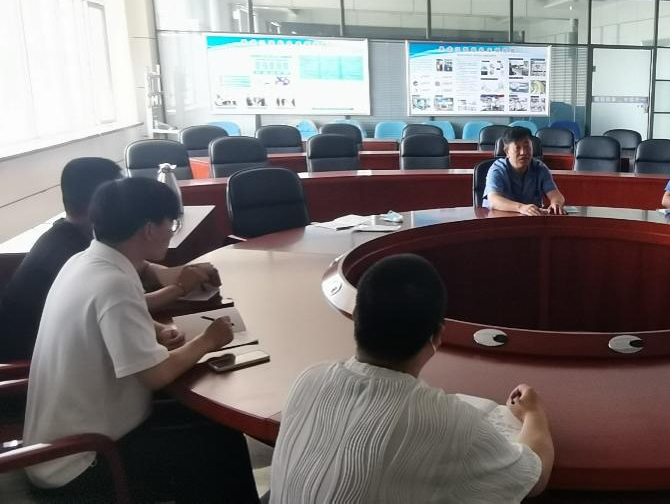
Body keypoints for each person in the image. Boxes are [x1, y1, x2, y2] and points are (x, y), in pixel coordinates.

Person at [23, 177, 258, 502]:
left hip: (55, 448)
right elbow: (155, 375)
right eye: (171, 223)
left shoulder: (84, 262)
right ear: (149, 228)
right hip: (82, 465)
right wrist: (209, 339)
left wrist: (156, 329)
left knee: (212, 426)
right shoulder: (113, 283)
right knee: (219, 446)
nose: (172, 230)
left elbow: (111, 316)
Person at [271, 254, 553, 503]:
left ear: (356, 315)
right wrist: (534, 414)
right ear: (437, 336)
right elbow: (533, 477)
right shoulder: (450, 424)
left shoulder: (309, 379)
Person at [0, 157, 219, 362]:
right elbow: (122, 303)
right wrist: (179, 288)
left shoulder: (84, 235)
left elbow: (139, 268)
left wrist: (176, 274)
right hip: (31, 356)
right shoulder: (66, 252)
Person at [484, 126, 567, 215]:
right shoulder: (498, 169)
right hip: (498, 218)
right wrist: (521, 207)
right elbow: (494, 201)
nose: (523, 152)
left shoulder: (539, 168)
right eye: (517, 148)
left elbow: (556, 195)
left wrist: (556, 203)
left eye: (527, 147)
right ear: (507, 151)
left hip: (530, 219)